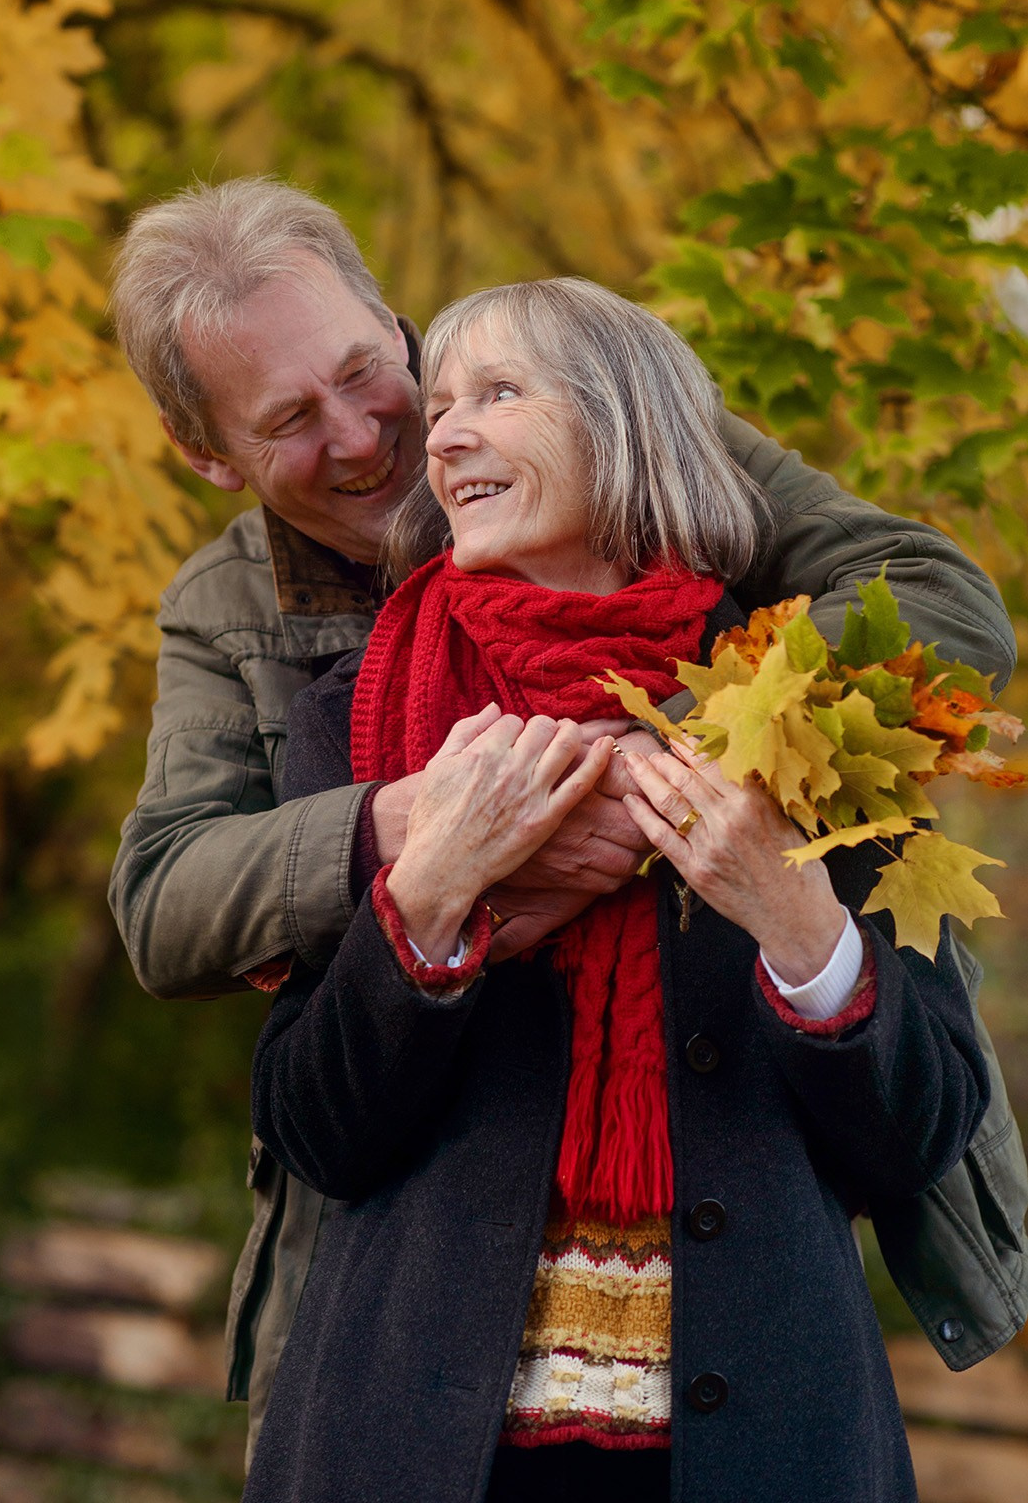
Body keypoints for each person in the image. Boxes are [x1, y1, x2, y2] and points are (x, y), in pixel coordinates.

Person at [106, 176, 1015, 1443]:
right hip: (410, 1297)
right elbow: (164, 905)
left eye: (371, 372)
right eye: (290, 422)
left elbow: (942, 608)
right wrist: (424, 830)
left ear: (393, 318)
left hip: (740, 1300)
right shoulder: (239, 618)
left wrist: (662, 772)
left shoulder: (598, 427)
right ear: (209, 455)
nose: (373, 438)